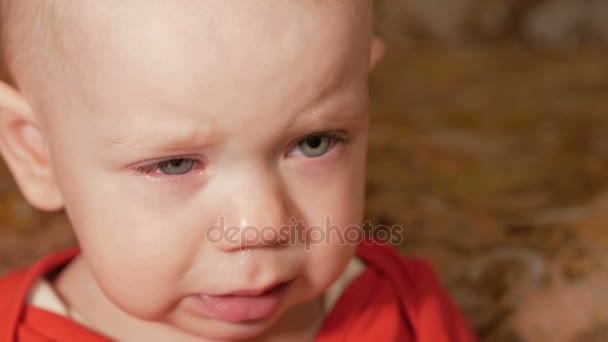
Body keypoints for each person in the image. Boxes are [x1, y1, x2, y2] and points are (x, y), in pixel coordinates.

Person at [0, 1, 476, 341]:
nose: (261, 226)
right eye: (174, 163)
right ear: (37, 153)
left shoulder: (409, 313)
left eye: (314, 143)